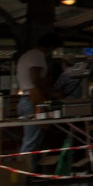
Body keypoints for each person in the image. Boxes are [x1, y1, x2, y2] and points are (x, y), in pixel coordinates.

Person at [15, 33, 62, 163]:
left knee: (31, 139)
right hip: (33, 100)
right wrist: (50, 92)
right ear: (51, 46)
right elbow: (35, 78)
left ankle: (30, 171)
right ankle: (24, 173)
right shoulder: (37, 56)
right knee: (31, 141)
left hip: (25, 99)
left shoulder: (27, 55)